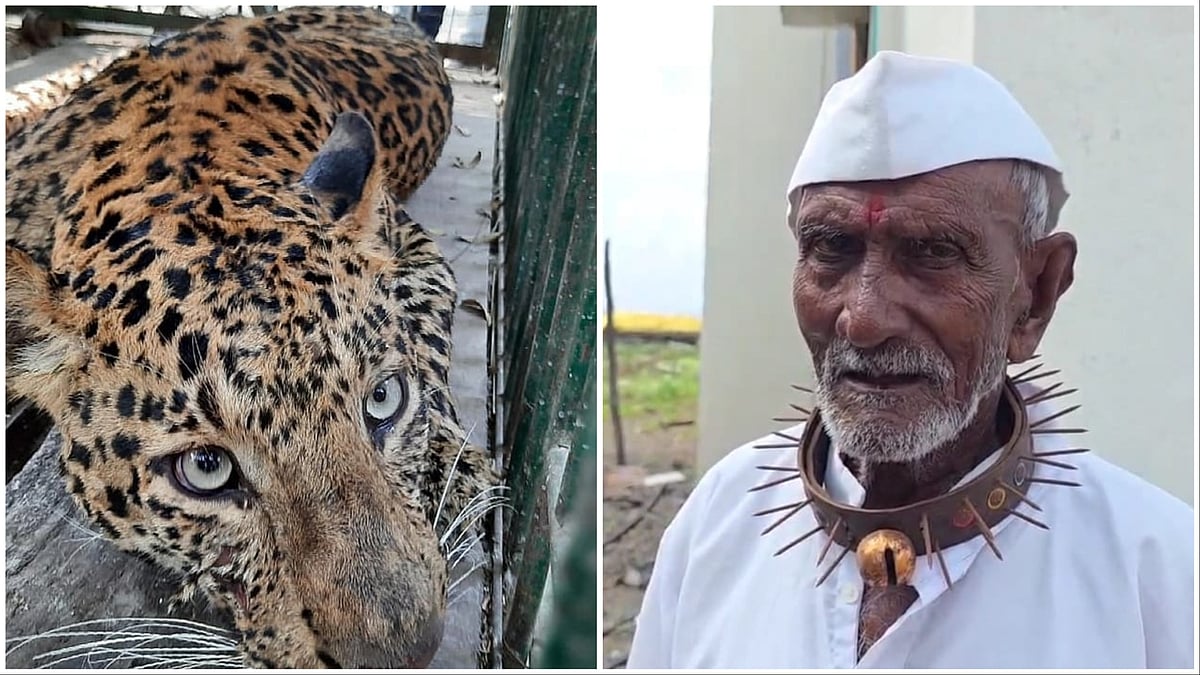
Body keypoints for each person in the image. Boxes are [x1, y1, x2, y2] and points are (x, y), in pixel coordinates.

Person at [626, 51, 1195, 669]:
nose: (864, 319)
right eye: (832, 247)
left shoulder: (1159, 568)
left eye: (933, 253)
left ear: (1036, 294)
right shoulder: (722, 518)